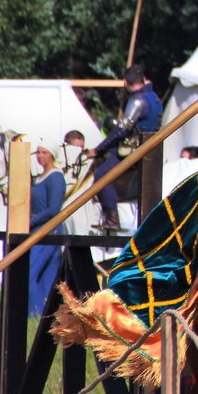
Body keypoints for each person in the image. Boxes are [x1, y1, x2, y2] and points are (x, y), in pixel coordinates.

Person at [85, 65, 162, 230]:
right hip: (153, 148)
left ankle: (112, 219)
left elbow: (122, 130)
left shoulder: (138, 100)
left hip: (135, 149)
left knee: (101, 175)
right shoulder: (154, 97)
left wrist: (98, 150)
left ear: (126, 82)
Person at [29, 138, 66, 317]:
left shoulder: (56, 177)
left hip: (48, 229)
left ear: (52, 155)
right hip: (38, 228)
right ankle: (44, 316)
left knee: (31, 270)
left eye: (44, 152)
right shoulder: (40, 177)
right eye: (38, 152)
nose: (40, 156)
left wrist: (29, 223)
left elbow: (53, 209)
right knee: (45, 275)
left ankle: (33, 314)